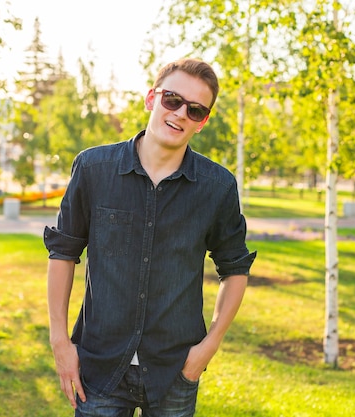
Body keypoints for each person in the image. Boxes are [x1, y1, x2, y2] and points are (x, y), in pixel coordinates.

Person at [44, 57, 257, 417]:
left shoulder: (217, 187)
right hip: (98, 366)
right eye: (172, 99)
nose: (179, 114)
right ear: (151, 98)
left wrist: (207, 349)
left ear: (202, 122)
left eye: (194, 109)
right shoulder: (94, 169)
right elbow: (63, 253)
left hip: (175, 370)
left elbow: (235, 268)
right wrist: (60, 342)